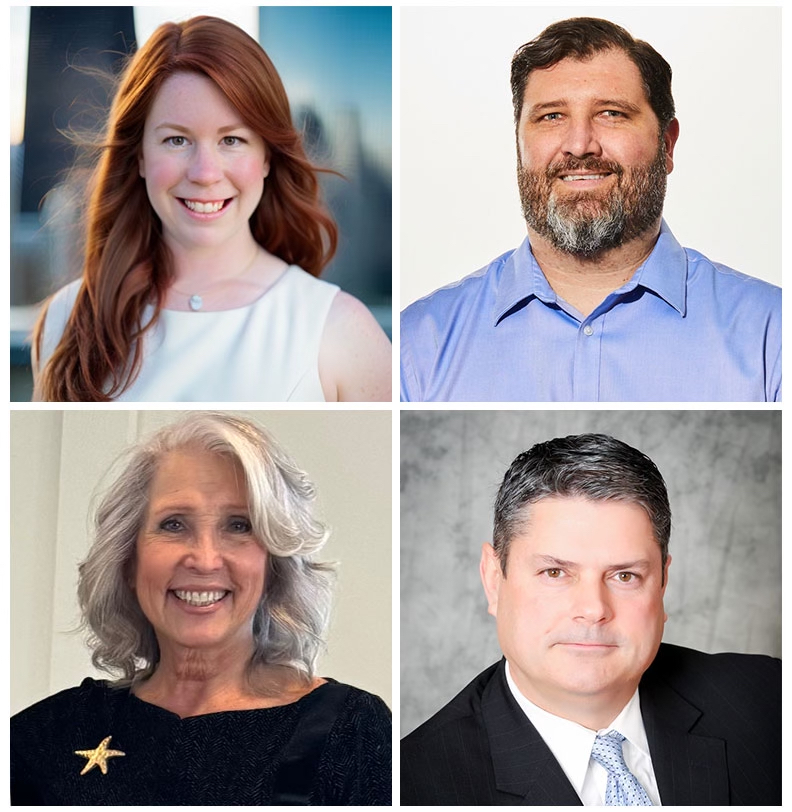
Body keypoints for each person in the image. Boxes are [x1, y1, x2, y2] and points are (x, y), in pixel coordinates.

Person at [11, 413, 391, 804]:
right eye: (174, 524)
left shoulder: (348, 729)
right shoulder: (43, 740)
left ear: (274, 564)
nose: (206, 560)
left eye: (240, 525)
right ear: (128, 559)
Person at [400, 17, 780, 402]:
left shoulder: (773, 334)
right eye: (551, 116)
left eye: (611, 113)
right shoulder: (419, 345)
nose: (580, 145)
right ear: (519, 145)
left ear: (667, 144)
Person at [401, 433, 780, 805]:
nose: (593, 609)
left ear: (663, 583)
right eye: (555, 573)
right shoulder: (410, 785)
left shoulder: (769, 701)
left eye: (625, 576)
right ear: (493, 580)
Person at [32, 15, 391, 402]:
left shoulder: (341, 331)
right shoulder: (67, 319)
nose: (205, 173)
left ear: (268, 157)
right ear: (138, 156)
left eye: (232, 140)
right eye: (176, 140)